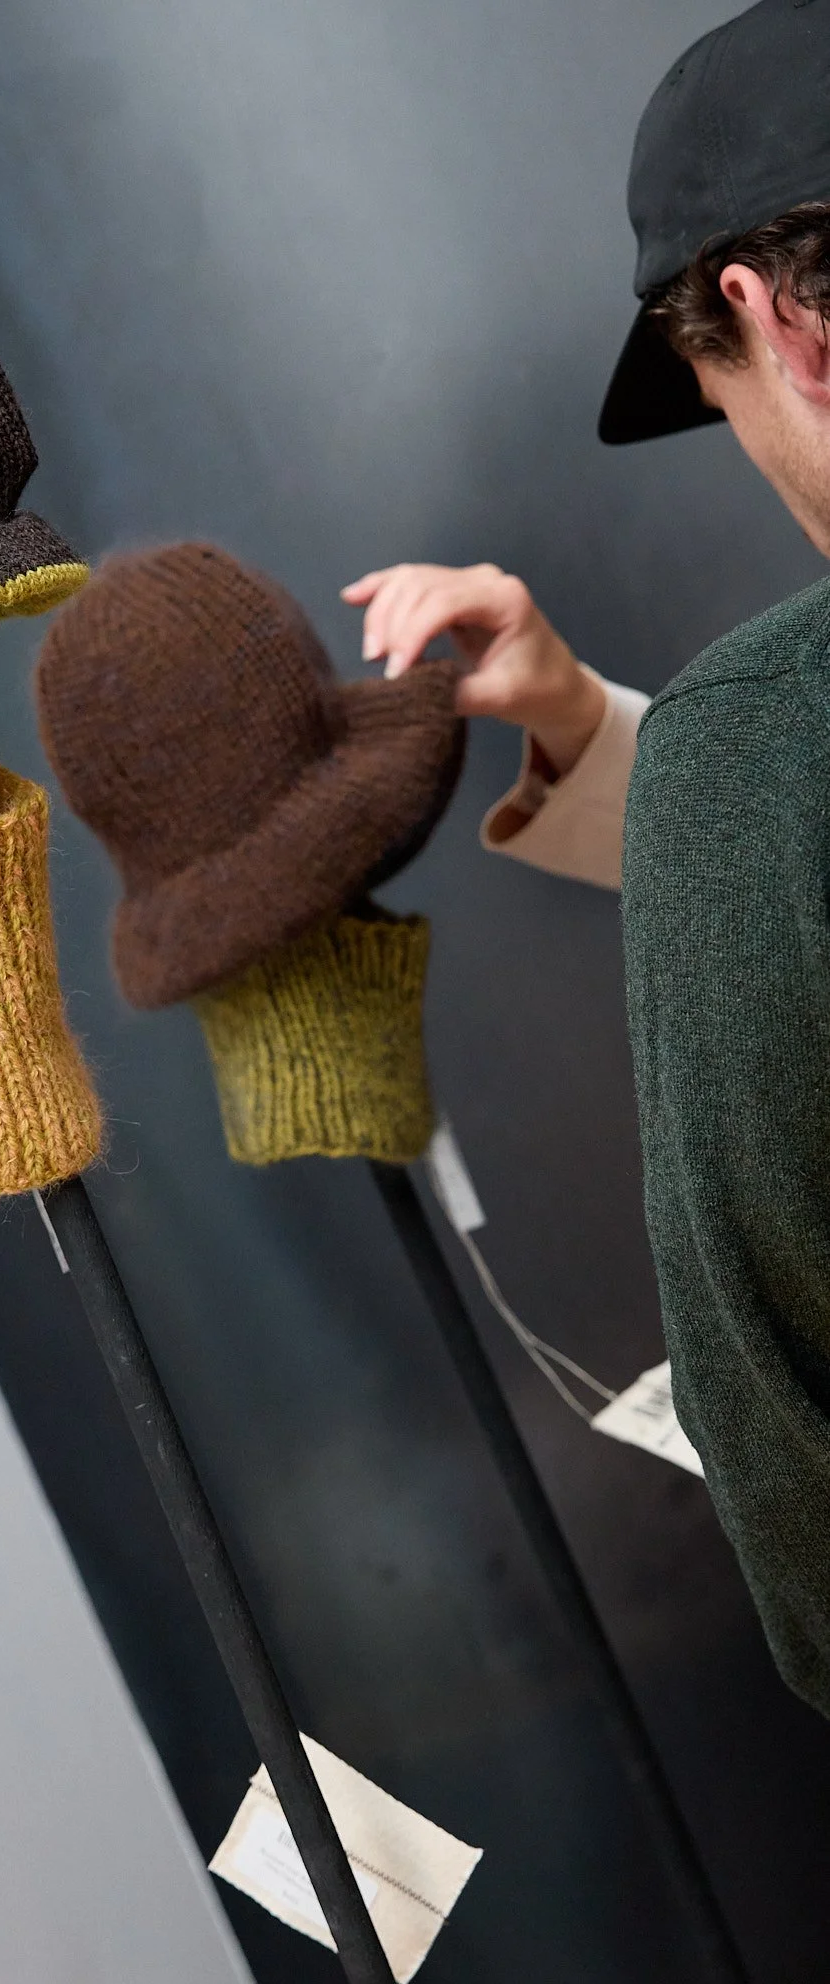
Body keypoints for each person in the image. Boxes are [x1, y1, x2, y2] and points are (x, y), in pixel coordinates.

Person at [343, 0, 830, 1721]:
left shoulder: (756, 749)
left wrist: (700, 758)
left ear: (777, 325)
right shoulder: (751, 755)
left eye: (717, 394)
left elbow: (787, 1453)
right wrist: (605, 731)